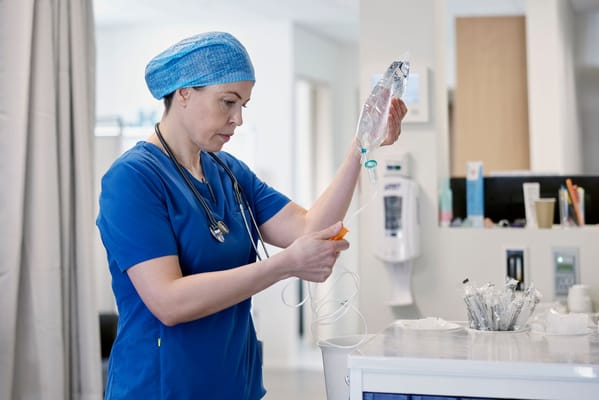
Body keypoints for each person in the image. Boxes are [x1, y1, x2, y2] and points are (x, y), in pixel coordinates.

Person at [96, 31, 407, 400]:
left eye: (243, 104)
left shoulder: (228, 172)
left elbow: (311, 227)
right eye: (227, 102)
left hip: (234, 384)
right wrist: (285, 266)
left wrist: (361, 145)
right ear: (183, 93)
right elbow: (169, 302)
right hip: (162, 388)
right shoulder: (132, 179)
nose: (238, 118)